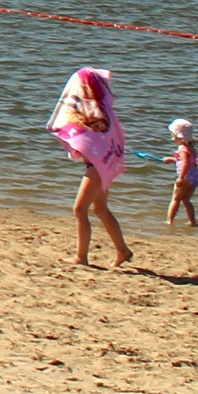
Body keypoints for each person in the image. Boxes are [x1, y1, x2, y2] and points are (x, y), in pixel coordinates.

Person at [48, 67, 133, 268]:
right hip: (102, 164)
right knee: (101, 208)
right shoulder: (102, 110)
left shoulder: (96, 113)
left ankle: (81, 256)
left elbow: (86, 134)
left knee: (80, 209)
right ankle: (123, 250)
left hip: (97, 167)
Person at [165, 118, 198, 226]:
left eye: (173, 134)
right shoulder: (191, 148)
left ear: (178, 136)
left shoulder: (182, 148)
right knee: (186, 200)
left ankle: (169, 221)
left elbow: (185, 163)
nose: (172, 137)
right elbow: (190, 162)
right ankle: (192, 221)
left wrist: (181, 177)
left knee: (175, 199)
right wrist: (173, 160)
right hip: (194, 177)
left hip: (186, 177)